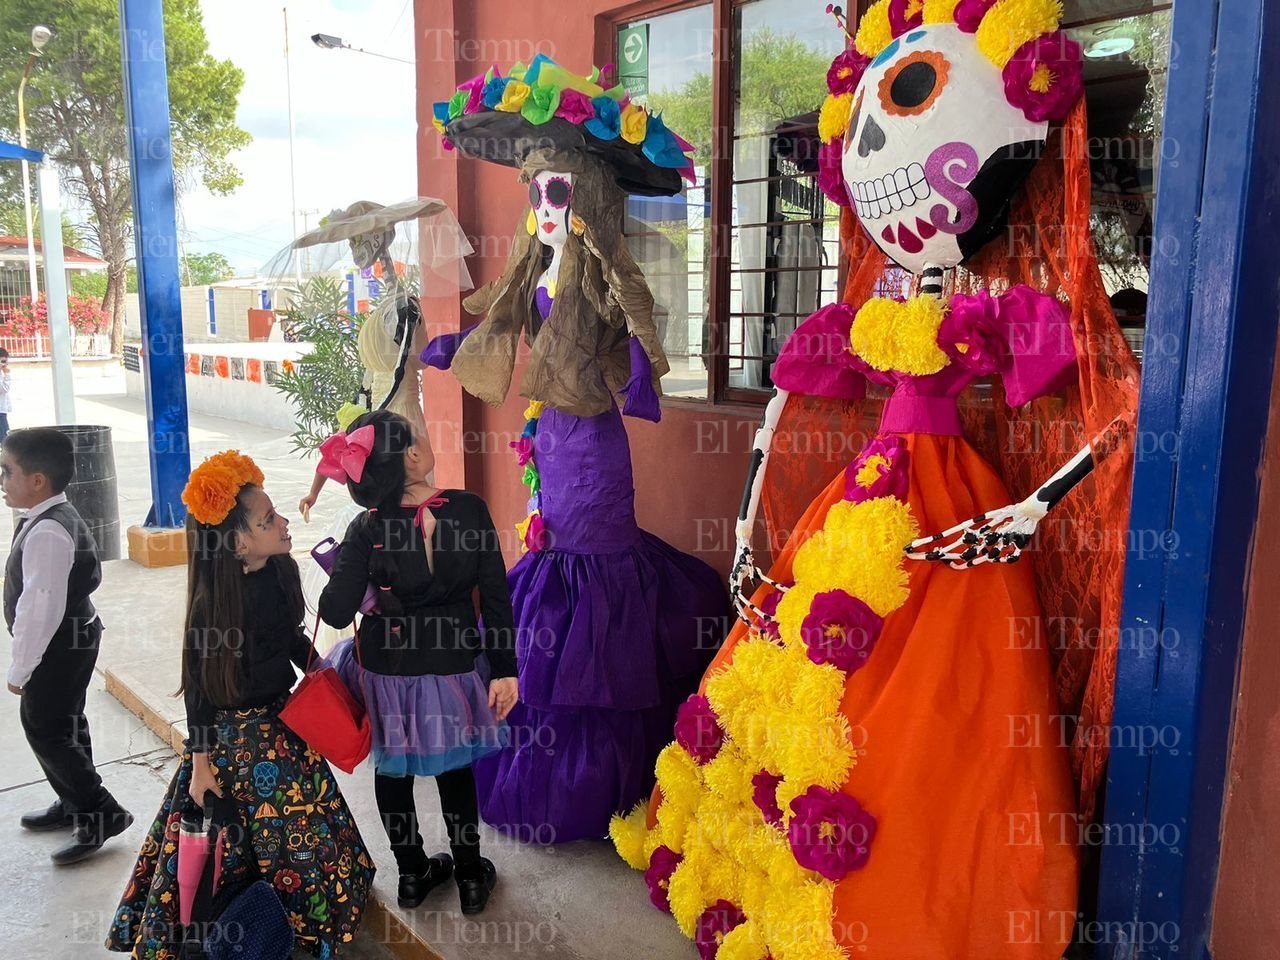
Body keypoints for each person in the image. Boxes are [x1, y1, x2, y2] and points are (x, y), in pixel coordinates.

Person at [613, 4, 1140, 959]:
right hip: (868, 494)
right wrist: (744, 529)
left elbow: (1111, 414)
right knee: (809, 671)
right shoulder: (870, 313)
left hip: (956, 503)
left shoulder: (990, 310)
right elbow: (780, 412)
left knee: (946, 697)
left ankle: (917, 894)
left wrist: (1032, 508)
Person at [427, 55, 729, 845]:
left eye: (557, 189)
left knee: (592, 580)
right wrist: (447, 346)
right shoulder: (537, 262)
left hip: (593, 445)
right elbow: (497, 318)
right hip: (549, 440)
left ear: (585, 193)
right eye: (535, 191)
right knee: (551, 560)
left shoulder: (599, 268)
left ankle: (605, 779)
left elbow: (639, 321)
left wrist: (617, 316)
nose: (544, 204)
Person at [107, 450, 374, 957]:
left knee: (299, 828)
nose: (283, 522)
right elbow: (200, 690)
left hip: (283, 724)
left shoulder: (282, 576)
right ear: (238, 542)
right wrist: (200, 766)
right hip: (230, 743)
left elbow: (291, 636)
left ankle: (302, 920)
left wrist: (321, 672)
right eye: (268, 519)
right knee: (225, 839)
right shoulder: (211, 608)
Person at [318, 409, 518, 915]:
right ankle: (471, 876)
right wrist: (505, 669)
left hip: (386, 674)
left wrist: (350, 568)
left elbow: (335, 610)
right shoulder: (470, 510)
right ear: (411, 455)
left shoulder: (366, 527)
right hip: (453, 664)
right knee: (455, 773)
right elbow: (496, 596)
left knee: (393, 773)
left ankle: (411, 875)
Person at [4, 426, 130, 865]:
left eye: (6, 472)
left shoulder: (46, 533)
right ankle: (73, 799)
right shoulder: (47, 517)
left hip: (60, 645)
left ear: (37, 481)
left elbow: (39, 609)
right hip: (76, 636)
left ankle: (100, 812)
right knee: (67, 721)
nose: (1, 481)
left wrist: (21, 669)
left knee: (44, 725)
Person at [0, 348, 13, 442]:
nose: (5, 364)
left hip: (2, 410)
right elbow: (4, 389)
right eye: (3, 361)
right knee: (5, 440)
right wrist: (7, 375)